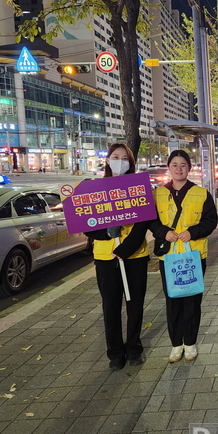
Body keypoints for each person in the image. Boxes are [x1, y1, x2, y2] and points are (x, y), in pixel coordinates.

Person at [84, 143, 152, 371]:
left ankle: (134, 348)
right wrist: (105, 232)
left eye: (125, 158)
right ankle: (114, 352)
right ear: (107, 160)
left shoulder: (139, 189)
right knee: (110, 307)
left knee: (135, 304)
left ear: (131, 163)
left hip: (135, 256)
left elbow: (143, 223)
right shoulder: (94, 189)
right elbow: (86, 223)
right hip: (105, 258)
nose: (119, 161)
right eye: (115, 156)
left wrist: (125, 249)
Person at [150, 150, 218, 363]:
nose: (179, 169)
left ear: (189, 168)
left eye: (183, 165)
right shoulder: (157, 194)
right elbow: (151, 221)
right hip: (169, 258)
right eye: (174, 165)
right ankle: (175, 344)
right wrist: (164, 233)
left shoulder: (201, 193)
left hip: (194, 256)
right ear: (169, 168)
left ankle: (190, 343)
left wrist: (193, 232)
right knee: (172, 301)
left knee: (192, 300)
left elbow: (211, 221)